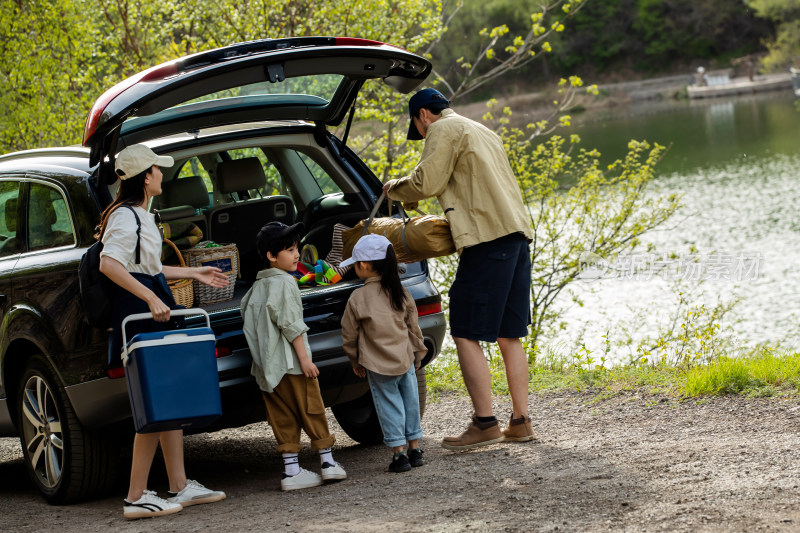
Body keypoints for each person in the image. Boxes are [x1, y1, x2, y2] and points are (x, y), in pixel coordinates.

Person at [383, 88, 536, 450]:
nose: (421, 135)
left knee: (465, 331)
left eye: (418, 129)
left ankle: (484, 423)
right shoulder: (481, 129)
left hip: (486, 240)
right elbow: (460, 180)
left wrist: (394, 189)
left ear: (423, 115)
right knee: (507, 333)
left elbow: (428, 181)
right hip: (515, 235)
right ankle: (520, 422)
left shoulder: (441, 130)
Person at [98, 144, 229, 519]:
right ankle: (136, 497)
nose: (161, 174)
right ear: (145, 176)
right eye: (158, 169)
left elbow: (148, 269)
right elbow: (110, 265)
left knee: (167, 401)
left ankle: (179, 484)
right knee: (154, 403)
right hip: (141, 311)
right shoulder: (125, 217)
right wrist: (150, 300)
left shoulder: (139, 215)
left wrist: (193, 272)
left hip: (152, 306)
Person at [241, 221, 347, 491]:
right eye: (289, 250)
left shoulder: (252, 292)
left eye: (296, 248)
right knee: (312, 409)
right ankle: (327, 463)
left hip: (267, 370)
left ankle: (291, 472)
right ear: (271, 256)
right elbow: (292, 325)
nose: (297, 255)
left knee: (282, 417)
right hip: (292, 365)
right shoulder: (286, 284)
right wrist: (305, 360)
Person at [340, 234, 428, 473]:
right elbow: (414, 328)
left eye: (355, 264)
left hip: (377, 365)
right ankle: (415, 449)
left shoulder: (357, 298)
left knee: (388, 405)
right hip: (405, 358)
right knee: (410, 402)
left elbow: (349, 335)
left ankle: (399, 455)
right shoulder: (400, 292)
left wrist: (355, 360)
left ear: (365, 266)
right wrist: (418, 355)